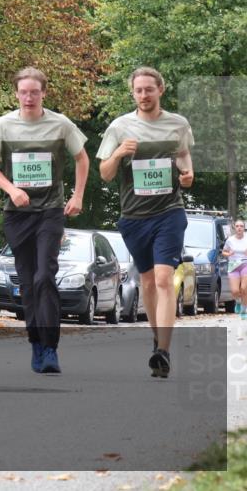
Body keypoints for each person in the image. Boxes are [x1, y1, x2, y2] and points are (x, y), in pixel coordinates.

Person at [0, 67, 88, 374]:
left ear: (44, 93)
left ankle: (51, 348)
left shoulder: (60, 124)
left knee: (44, 276)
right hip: (17, 215)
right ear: (16, 94)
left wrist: (78, 196)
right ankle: (36, 344)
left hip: (50, 211)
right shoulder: (3, 126)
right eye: (24, 92)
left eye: (35, 92)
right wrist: (12, 189)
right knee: (28, 282)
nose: (29, 97)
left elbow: (82, 158)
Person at [97, 66, 194, 379]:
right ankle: (157, 338)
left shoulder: (178, 124)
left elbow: (183, 156)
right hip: (134, 218)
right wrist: (118, 154)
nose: (143, 95)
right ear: (133, 93)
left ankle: (163, 352)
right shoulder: (119, 127)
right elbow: (105, 173)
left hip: (170, 212)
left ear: (160, 90)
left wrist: (188, 174)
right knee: (148, 283)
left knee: (164, 279)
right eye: (138, 90)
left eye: (149, 89)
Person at [222, 219, 247, 319]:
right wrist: (229, 254)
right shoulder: (230, 240)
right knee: (235, 291)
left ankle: (244, 310)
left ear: (244, 227)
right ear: (234, 228)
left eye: (241, 226)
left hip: (245, 264)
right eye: (237, 226)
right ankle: (238, 302)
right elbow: (224, 252)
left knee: (244, 288)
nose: (239, 228)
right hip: (233, 266)